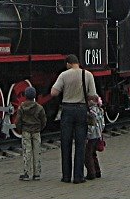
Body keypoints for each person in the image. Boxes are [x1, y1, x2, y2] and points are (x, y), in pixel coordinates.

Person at [50, 54, 97, 184]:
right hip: (81, 110)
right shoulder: (88, 75)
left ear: (68, 64)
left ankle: (66, 176)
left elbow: (53, 92)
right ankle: (78, 177)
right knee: (81, 144)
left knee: (66, 144)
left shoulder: (64, 75)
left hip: (67, 110)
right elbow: (93, 96)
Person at [16, 86, 47, 181]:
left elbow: (18, 121)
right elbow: (43, 121)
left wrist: (20, 129)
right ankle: (37, 173)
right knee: (37, 151)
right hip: (36, 132)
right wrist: (39, 128)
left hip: (26, 131)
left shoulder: (21, 107)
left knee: (27, 151)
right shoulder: (39, 108)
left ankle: (26, 173)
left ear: (25, 95)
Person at [84, 94, 105, 181]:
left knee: (88, 154)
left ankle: (91, 173)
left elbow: (91, 125)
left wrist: (87, 136)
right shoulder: (100, 110)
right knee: (93, 154)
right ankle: (97, 171)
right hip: (98, 135)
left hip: (92, 136)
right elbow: (102, 124)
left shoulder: (91, 112)